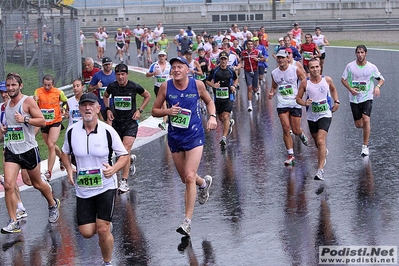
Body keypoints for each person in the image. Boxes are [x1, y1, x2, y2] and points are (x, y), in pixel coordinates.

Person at [151, 56, 217, 236]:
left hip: (194, 135)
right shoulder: (166, 87)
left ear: (188, 70)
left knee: (189, 176)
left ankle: (187, 222)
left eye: (180, 67)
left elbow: (209, 102)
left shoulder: (197, 85)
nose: (176, 70)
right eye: (173, 67)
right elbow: (154, 111)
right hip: (175, 137)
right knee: (185, 178)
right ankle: (203, 183)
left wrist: (212, 117)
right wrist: (167, 111)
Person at [61, 92, 129, 266]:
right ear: (80, 108)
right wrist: (69, 168)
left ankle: (107, 262)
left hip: (106, 186)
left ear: (98, 108)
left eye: (91, 105)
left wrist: (113, 169)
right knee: (86, 232)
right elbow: (64, 152)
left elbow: (124, 155)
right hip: (83, 189)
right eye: (84, 105)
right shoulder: (72, 131)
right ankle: (105, 228)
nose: (87, 108)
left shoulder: (107, 131)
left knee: (102, 228)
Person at [1, 72, 60, 234]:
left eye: (13, 85)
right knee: (8, 185)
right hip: (12, 150)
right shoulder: (6, 106)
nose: (10, 88)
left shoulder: (26, 102)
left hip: (28, 149)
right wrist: (3, 131)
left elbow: (42, 121)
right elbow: (6, 132)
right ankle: (13, 221)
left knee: (36, 183)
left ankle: (52, 203)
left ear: (20, 86)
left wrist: (25, 119)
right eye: (8, 85)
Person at [103, 63, 151, 193]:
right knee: (120, 153)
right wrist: (108, 109)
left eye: (123, 74)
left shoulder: (134, 86)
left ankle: (124, 182)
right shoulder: (112, 86)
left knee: (125, 150)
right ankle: (128, 161)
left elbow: (148, 96)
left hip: (130, 123)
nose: (120, 77)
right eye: (118, 74)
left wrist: (140, 110)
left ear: (127, 75)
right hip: (117, 123)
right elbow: (105, 96)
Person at [296, 58, 340, 180]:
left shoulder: (327, 80)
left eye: (317, 67)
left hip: (325, 114)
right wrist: (305, 103)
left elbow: (333, 89)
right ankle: (323, 152)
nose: (315, 69)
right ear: (308, 69)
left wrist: (336, 101)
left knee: (321, 141)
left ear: (320, 67)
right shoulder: (305, 82)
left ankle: (320, 170)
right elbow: (298, 98)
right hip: (312, 116)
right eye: (312, 67)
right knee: (317, 142)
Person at [341, 45, 384, 156]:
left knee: (366, 120)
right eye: (358, 52)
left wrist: (377, 87)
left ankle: (365, 146)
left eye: (362, 52)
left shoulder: (371, 67)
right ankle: (367, 127)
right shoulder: (350, 66)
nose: (360, 55)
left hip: (367, 97)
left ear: (366, 53)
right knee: (359, 124)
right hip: (354, 98)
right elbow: (343, 79)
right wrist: (350, 89)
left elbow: (381, 79)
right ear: (356, 53)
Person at [268, 49, 308, 166]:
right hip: (282, 103)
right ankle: (290, 155)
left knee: (295, 130)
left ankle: (300, 133)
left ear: (287, 58)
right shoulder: (274, 73)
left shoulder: (295, 70)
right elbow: (274, 87)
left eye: (282, 58)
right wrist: (271, 93)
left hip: (295, 103)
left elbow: (305, 81)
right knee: (286, 128)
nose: (280, 60)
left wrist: (303, 94)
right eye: (278, 58)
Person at [0, 81, 32, 221]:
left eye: (5, 91)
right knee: (9, 182)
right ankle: (19, 208)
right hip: (9, 149)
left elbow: (37, 122)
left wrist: (30, 139)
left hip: (25, 148)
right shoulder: (1, 109)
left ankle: (47, 192)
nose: (4, 94)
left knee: (29, 180)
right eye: (2, 92)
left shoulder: (23, 104)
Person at [34, 74, 68, 181]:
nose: (47, 87)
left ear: (53, 84)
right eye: (45, 85)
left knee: (51, 144)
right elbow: (34, 105)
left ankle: (49, 172)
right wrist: (35, 100)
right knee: (50, 145)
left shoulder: (58, 92)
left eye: (49, 85)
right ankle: (62, 158)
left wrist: (63, 108)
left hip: (55, 121)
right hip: (44, 123)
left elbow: (65, 101)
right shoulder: (38, 92)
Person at [206, 51, 238, 148]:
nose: (223, 61)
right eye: (222, 59)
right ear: (219, 60)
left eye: (225, 59)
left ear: (228, 60)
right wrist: (213, 85)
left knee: (226, 116)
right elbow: (207, 81)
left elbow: (236, 79)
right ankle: (229, 124)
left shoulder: (231, 70)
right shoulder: (215, 70)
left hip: (229, 97)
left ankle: (223, 138)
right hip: (218, 98)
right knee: (221, 118)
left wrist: (234, 86)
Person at [146, 51, 171, 130]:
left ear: (166, 57)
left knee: (167, 103)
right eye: (160, 56)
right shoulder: (154, 65)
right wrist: (153, 73)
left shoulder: (169, 65)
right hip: (158, 87)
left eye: (163, 56)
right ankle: (165, 121)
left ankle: (166, 120)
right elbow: (147, 75)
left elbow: (173, 73)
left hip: (168, 86)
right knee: (163, 104)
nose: (161, 58)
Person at [88, 57, 116, 125]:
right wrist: (96, 87)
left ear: (112, 64)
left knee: (111, 122)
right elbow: (89, 89)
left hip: (114, 102)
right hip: (103, 103)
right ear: (103, 65)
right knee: (107, 122)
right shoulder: (97, 76)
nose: (108, 66)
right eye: (106, 64)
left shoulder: (116, 74)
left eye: (109, 64)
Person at [240, 39, 264, 112]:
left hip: (255, 71)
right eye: (248, 44)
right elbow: (241, 59)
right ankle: (250, 105)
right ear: (246, 45)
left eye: (251, 44)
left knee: (255, 88)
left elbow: (263, 58)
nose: (250, 45)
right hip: (247, 71)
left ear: (253, 45)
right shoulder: (243, 53)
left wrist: (258, 59)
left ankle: (256, 91)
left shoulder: (256, 52)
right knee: (249, 87)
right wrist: (241, 64)